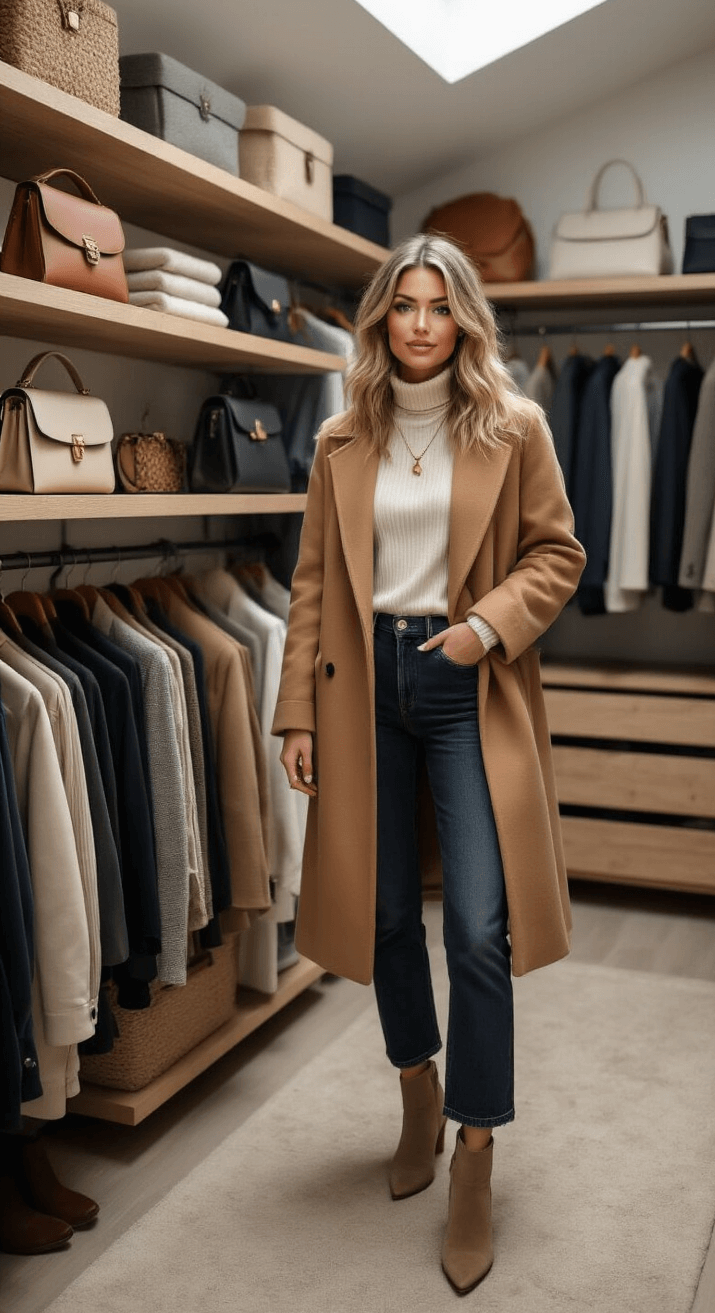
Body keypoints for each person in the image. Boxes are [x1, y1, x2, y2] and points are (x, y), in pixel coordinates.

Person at [273, 234, 585, 1294]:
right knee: (382, 917)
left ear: (463, 321)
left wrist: (484, 628)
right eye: (401, 305)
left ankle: (474, 1149)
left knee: (480, 927)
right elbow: (313, 581)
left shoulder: (515, 425)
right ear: (377, 319)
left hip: (464, 685)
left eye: (437, 307)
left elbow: (558, 555)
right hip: (359, 688)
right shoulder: (336, 439)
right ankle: (416, 1086)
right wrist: (293, 718)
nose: (417, 323)